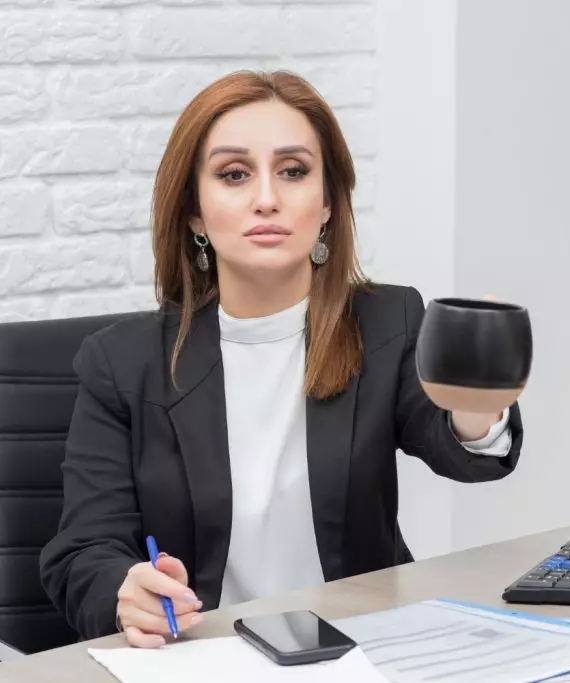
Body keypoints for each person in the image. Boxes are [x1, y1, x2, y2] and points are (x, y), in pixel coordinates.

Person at [38, 70, 525, 649]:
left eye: (294, 172)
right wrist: (126, 591)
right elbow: (81, 553)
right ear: (194, 212)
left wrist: (475, 410)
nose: (267, 198)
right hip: (206, 655)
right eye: (234, 174)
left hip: (359, 649)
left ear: (326, 204)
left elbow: (456, 448)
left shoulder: (387, 322)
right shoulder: (122, 362)